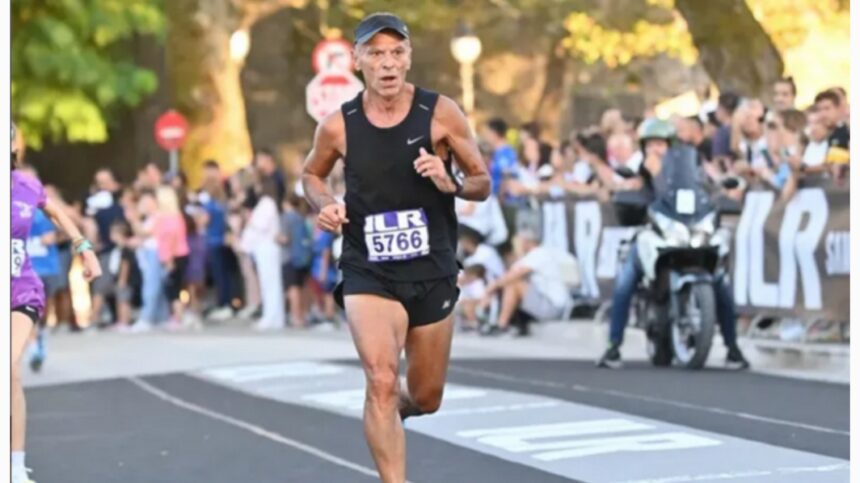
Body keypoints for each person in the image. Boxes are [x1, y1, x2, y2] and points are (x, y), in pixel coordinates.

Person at [301, 12, 490, 483]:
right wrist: (326, 204)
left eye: (396, 53)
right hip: (369, 267)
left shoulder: (440, 112)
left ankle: (393, 408)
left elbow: (482, 182)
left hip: (431, 266)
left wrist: (451, 182)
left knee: (425, 396)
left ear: (408, 58)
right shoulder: (338, 125)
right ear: (357, 60)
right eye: (376, 54)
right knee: (382, 379)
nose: (387, 63)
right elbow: (311, 175)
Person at [596, 118, 750, 370]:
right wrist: (642, 180)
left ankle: (733, 348)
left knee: (720, 281)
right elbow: (631, 188)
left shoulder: (690, 165)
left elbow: (708, 186)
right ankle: (613, 346)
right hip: (656, 231)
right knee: (625, 283)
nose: (655, 149)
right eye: (651, 144)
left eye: (660, 143)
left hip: (690, 230)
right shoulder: (639, 166)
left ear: (670, 145)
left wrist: (721, 191)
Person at [11, 123, 102, 483]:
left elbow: (60, 215)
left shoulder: (26, 185)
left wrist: (85, 249)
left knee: (8, 367)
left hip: (21, 290)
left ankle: (15, 467)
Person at [479, 229, 579, 336]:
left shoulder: (537, 254)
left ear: (526, 242)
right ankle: (509, 323)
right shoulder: (549, 252)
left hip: (552, 307)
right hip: (563, 306)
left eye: (517, 243)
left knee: (514, 284)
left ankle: (502, 325)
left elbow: (513, 274)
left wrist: (490, 289)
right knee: (514, 283)